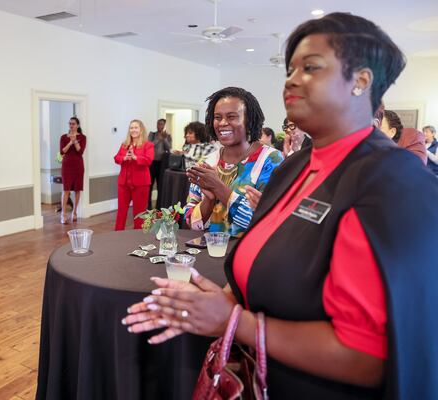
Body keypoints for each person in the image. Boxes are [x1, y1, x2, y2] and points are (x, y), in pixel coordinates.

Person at [123, 12, 438, 399]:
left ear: (361, 81)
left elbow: (367, 355)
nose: (290, 79)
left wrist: (235, 322)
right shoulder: (295, 166)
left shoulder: (394, 181)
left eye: (310, 67)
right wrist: (218, 298)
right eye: (290, 69)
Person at [183, 87, 283, 237]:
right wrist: (208, 201)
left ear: (249, 121)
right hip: (210, 253)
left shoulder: (271, 161)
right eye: (217, 117)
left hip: (250, 255)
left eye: (231, 117)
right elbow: (192, 223)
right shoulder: (207, 163)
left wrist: (218, 187)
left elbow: (267, 222)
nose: (223, 123)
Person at [114, 120, 154, 230]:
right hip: (124, 183)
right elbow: (116, 158)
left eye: (136, 127)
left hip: (141, 184)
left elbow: (148, 160)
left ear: (141, 129)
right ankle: (117, 234)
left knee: (139, 213)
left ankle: (137, 237)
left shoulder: (148, 145)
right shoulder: (124, 145)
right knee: (121, 212)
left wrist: (135, 157)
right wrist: (124, 158)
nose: (133, 130)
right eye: (131, 128)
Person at [59, 117, 86, 224]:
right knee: (66, 190)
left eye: (73, 124)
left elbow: (80, 151)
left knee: (77, 190)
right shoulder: (63, 137)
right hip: (67, 166)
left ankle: (74, 212)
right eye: (70, 123)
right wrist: (71, 142)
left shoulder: (83, 137)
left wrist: (75, 141)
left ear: (78, 125)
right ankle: (63, 214)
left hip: (78, 166)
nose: (71, 125)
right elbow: (62, 151)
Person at [148, 119, 171, 208]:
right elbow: (149, 145)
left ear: (164, 125)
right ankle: (148, 205)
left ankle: (159, 206)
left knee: (160, 185)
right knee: (149, 185)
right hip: (152, 163)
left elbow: (169, 148)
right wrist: (158, 139)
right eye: (158, 124)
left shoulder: (168, 136)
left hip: (162, 164)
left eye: (162, 124)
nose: (160, 126)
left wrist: (164, 139)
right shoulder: (152, 134)